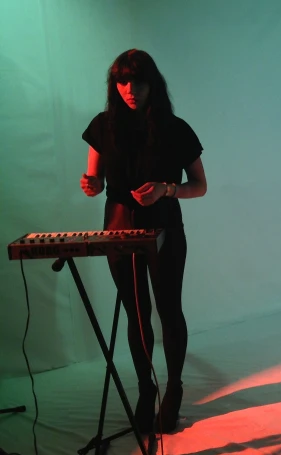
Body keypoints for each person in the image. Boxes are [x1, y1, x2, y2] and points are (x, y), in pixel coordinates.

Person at [80, 49, 207, 434]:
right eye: (122, 81)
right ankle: (146, 389)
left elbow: (200, 187)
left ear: (153, 83)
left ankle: (174, 389)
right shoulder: (103, 126)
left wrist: (166, 190)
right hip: (119, 228)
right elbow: (95, 180)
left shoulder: (176, 128)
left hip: (165, 226)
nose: (130, 89)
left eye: (137, 81)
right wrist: (92, 185)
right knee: (135, 312)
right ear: (113, 85)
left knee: (169, 309)